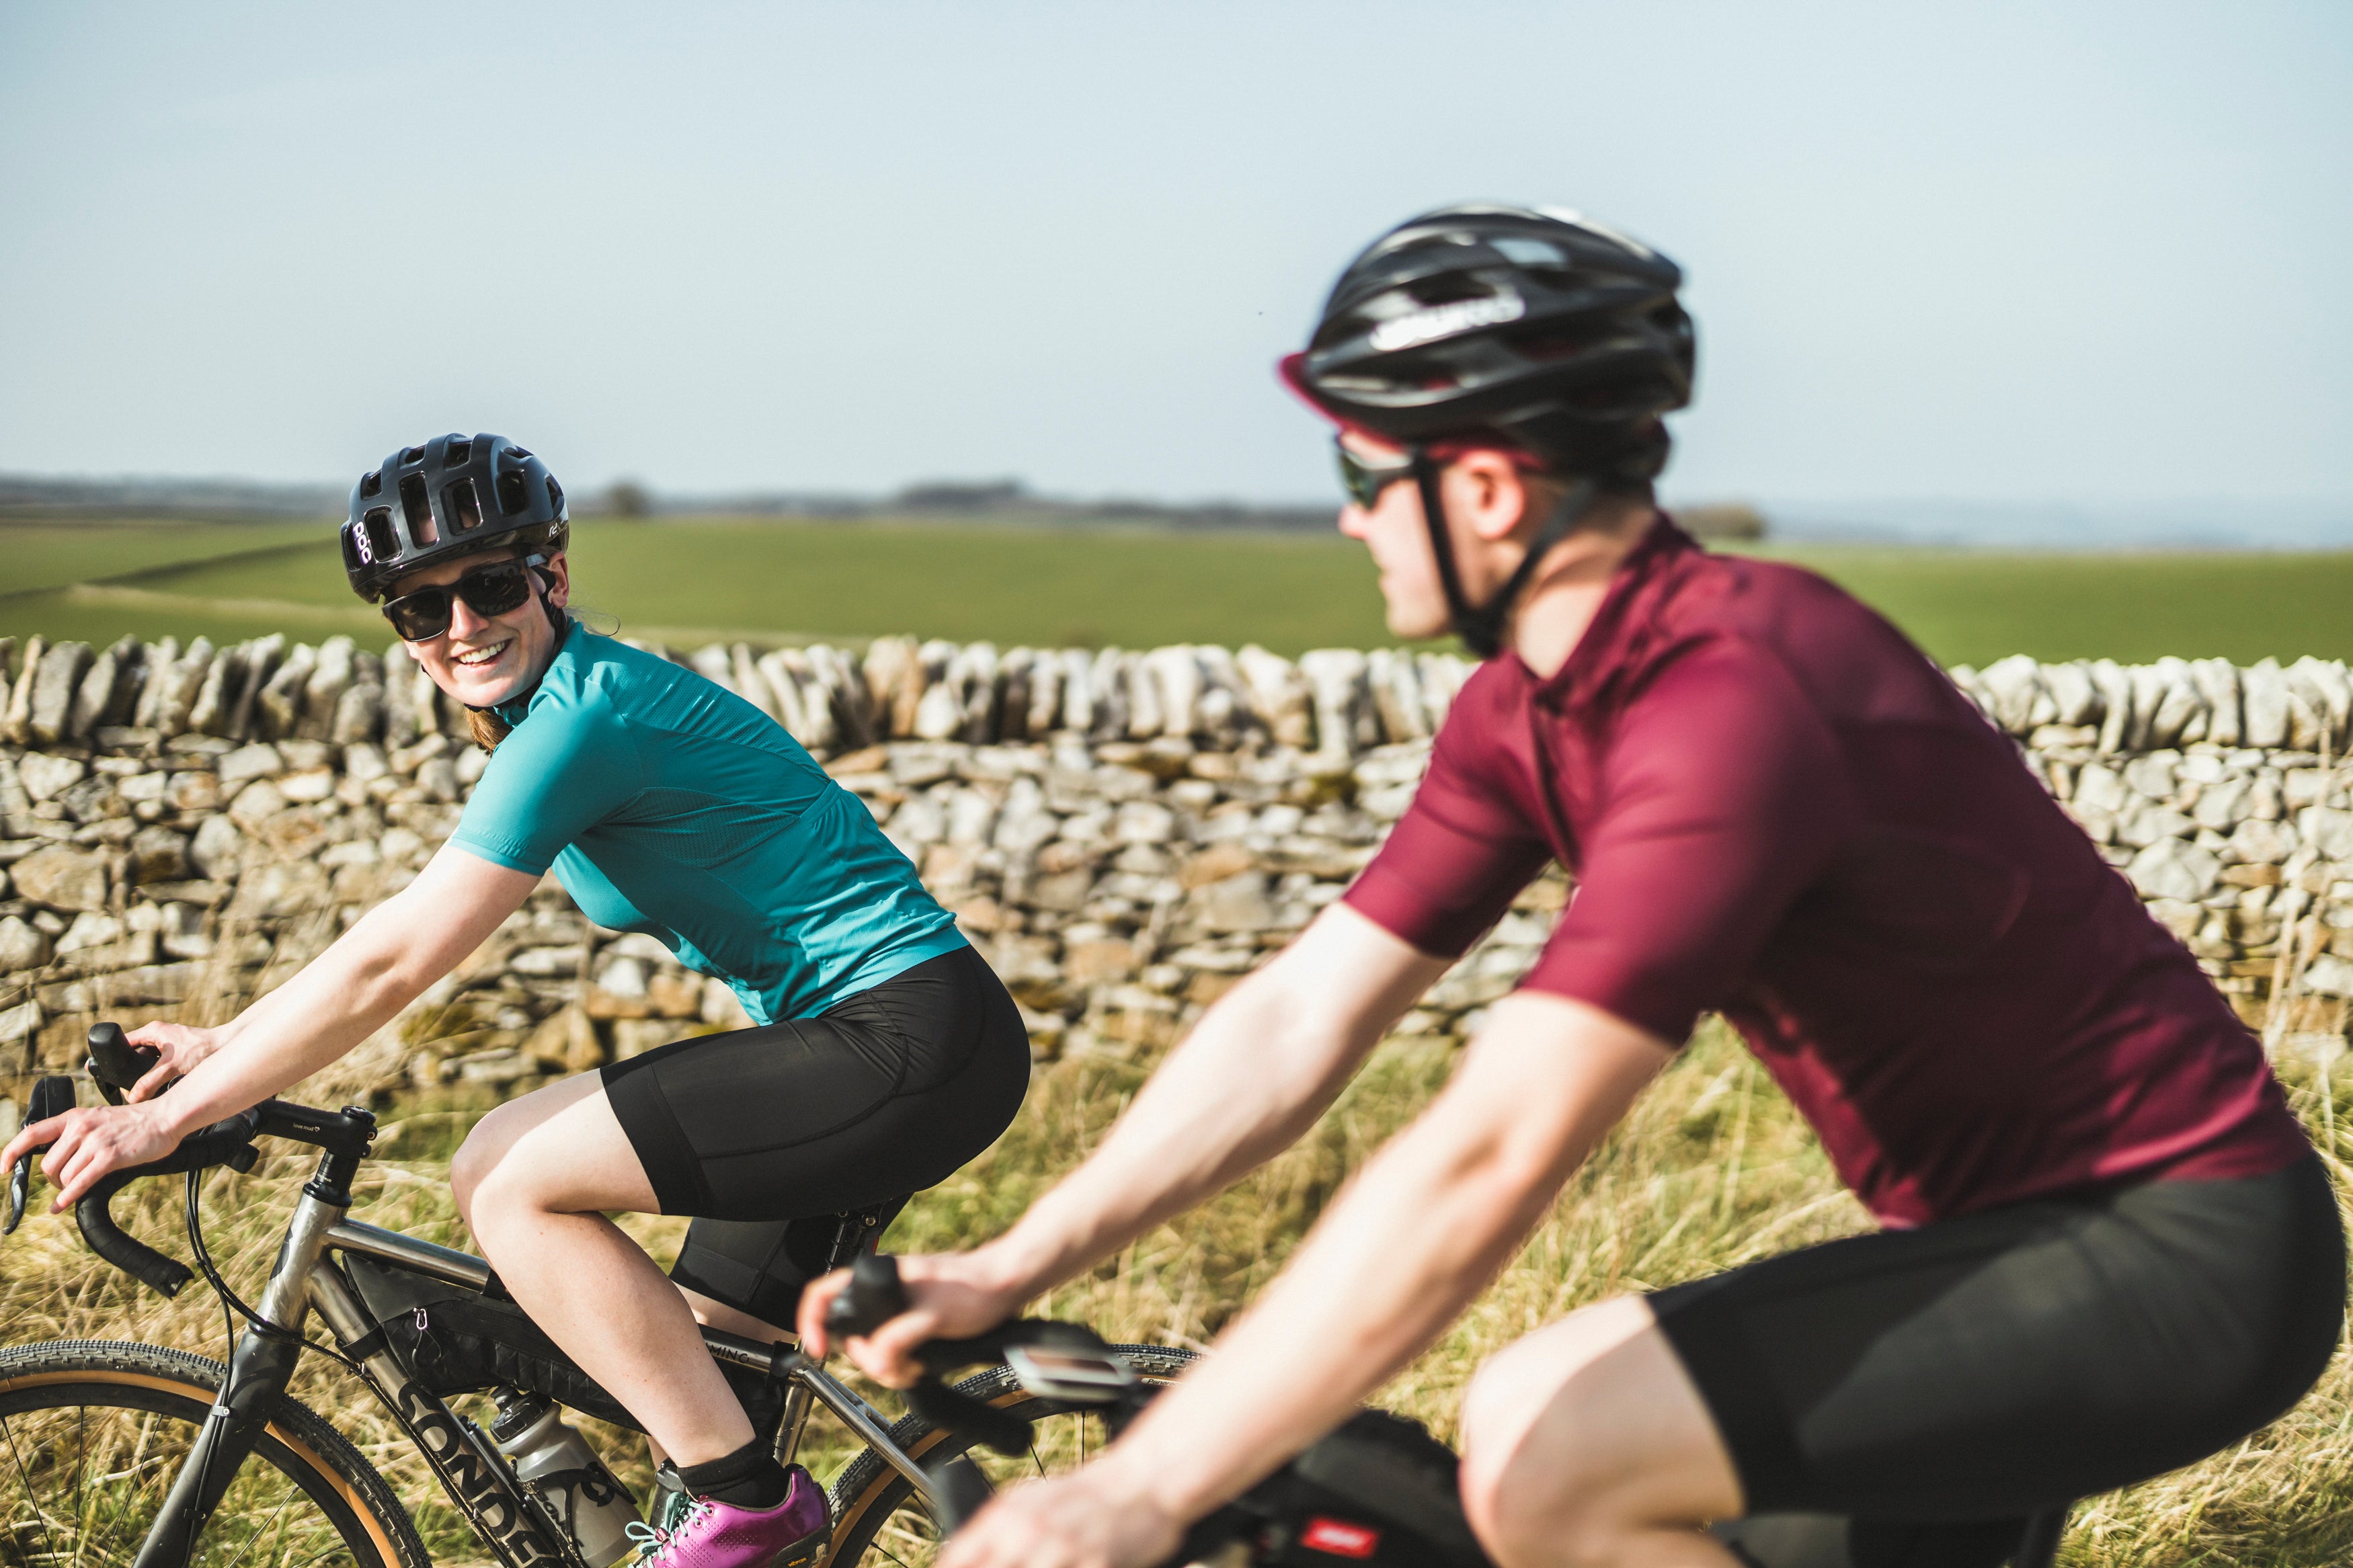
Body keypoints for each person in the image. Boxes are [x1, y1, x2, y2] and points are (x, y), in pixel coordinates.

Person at [797, 206, 2343, 1568]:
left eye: (1358, 467)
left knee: (1545, 1447)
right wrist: (1011, 1263)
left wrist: (1147, 1494)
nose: (1342, 515)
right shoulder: (1528, 712)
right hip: (1985, 1242)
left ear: (1480, 488)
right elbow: (1302, 1017)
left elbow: (1492, 1153)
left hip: (2176, 1246)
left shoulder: (1731, 697)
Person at [3, 434, 1032, 1568]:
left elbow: (398, 958)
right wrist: (218, 1049)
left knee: (502, 1169)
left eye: (489, 585)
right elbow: (391, 927)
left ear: (553, 574)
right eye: (418, 609)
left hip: (904, 1038)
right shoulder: (559, 712)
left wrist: (163, 1118)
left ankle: (749, 1504)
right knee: (687, 1375)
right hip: (883, 1038)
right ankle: (730, 1501)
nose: (460, 628)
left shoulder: (588, 717)